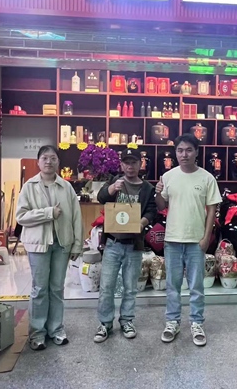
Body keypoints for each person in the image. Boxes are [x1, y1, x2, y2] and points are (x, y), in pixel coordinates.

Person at [155, 134, 222, 346]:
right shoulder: (168, 177)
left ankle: (196, 323)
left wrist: (206, 237)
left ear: (197, 152)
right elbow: (161, 206)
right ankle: (172, 322)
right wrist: (158, 193)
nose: (184, 154)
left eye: (188, 150)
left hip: (196, 241)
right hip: (172, 239)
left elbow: (212, 210)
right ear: (175, 153)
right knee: (172, 285)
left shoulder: (207, 178)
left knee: (196, 285)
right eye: (180, 150)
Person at [16, 145, 83, 351]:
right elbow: (21, 216)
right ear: (38, 162)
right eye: (45, 158)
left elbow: (76, 217)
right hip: (38, 245)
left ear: (58, 162)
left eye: (53, 158)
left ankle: (56, 329)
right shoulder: (29, 186)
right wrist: (47, 213)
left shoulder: (66, 187)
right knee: (39, 289)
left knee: (57, 288)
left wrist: (77, 244)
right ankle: (37, 333)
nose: (49, 162)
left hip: (62, 244)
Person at [94, 147, 157, 343]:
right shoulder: (115, 181)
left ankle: (127, 320)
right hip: (113, 243)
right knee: (107, 286)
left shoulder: (147, 188)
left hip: (133, 245)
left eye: (134, 162)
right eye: (126, 163)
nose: (130, 166)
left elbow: (152, 211)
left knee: (130, 287)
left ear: (140, 164)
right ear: (121, 165)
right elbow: (101, 198)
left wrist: (141, 223)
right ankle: (105, 323)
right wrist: (112, 189)